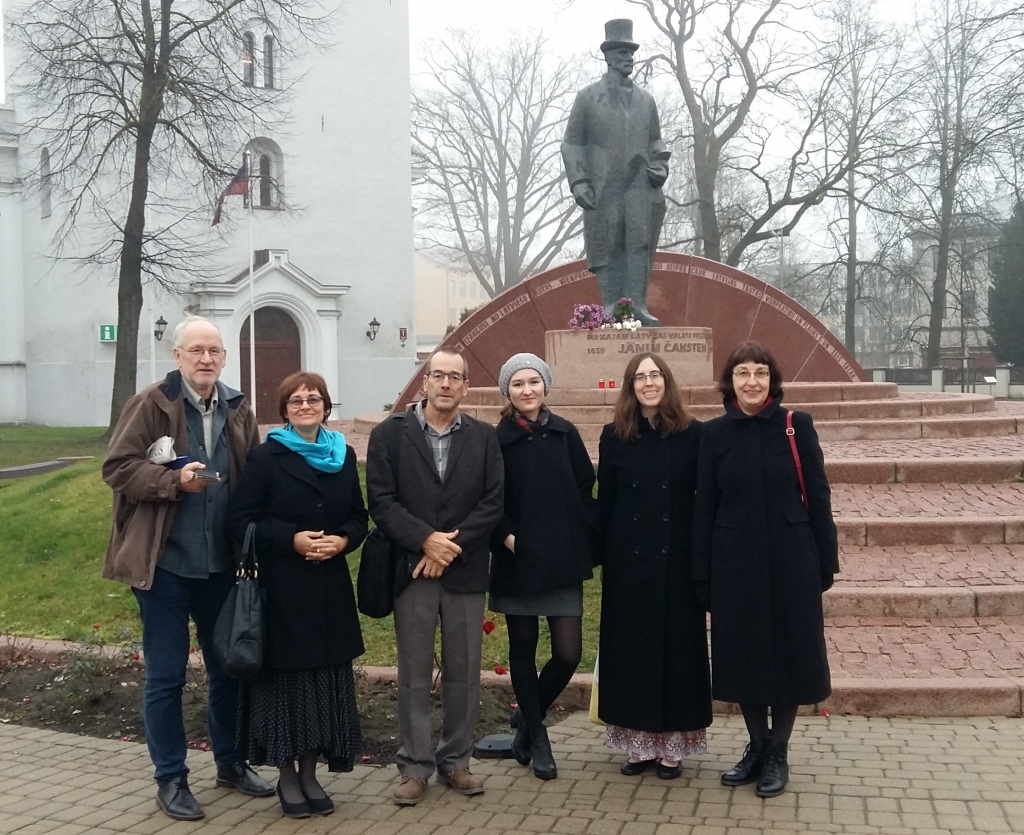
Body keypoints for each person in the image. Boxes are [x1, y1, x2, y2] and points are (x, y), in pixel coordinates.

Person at [102, 316, 274, 821]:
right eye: (196, 350)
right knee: (165, 678)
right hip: (165, 566)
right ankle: (171, 779)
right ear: (177, 356)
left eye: (214, 351)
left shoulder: (239, 409)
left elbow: (254, 477)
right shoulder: (151, 404)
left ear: (223, 358)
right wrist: (174, 480)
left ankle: (231, 763)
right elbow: (117, 468)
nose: (205, 359)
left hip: (223, 566)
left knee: (229, 671)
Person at [692, 342, 838, 798]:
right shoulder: (713, 434)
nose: (751, 381)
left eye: (759, 372)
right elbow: (703, 506)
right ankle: (756, 745)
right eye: (742, 373)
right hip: (734, 560)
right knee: (744, 652)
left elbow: (818, 495)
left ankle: (778, 750)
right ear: (729, 381)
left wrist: (825, 562)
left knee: (790, 651)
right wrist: (702, 571)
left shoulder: (796, 427)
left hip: (791, 557)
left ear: (772, 380)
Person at [366, 346, 504, 806]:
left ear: (466, 387)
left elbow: (493, 502)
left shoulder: (485, 438)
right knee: (414, 672)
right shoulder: (390, 435)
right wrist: (425, 540)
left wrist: (450, 546)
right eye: (438, 375)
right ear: (424, 382)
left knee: (465, 671)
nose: (446, 384)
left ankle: (457, 762)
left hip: (464, 571)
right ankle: (414, 765)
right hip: (413, 570)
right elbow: (382, 501)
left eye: (455, 377)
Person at [228, 371, 368, 819]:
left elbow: (358, 516)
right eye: (296, 401)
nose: (306, 406)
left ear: (327, 406)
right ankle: (288, 776)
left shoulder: (342, 455)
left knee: (324, 685)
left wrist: (344, 541)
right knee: (288, 688)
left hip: (328, 590)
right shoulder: (265, 458)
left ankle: (311, 774)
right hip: (282, 591)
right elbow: (239, 523)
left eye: (314, 399)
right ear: (284, 409)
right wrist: (292, 539)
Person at [596, 352, 711, 779]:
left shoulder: (694, 435)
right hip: (630, 562)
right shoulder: (614, 436)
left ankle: (673, 748)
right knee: (633, 654)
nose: (648, 383)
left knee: (678, 653)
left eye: (655, 375)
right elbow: (606, 500)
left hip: (678, 562)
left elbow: (702, 502)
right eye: (640, 377)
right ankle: (639, 745)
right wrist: (606, 553)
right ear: (630, 387)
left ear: (667, 382)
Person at [489, 353, 597, 781]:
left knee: (568, 653)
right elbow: (488, 498)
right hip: (518, 559)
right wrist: (509, 537)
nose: (527, 390)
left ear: (545, 386)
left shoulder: (564, 432)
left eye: (534, 382)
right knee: (523, 647)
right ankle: (537, 734)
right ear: (508, 392)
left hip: (561, 559)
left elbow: (584, 486)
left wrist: (579, 537)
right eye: (518, 384)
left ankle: (524, 721)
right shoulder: (496, 440)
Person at [561, 18, 670, 326]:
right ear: (607, 56)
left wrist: (660, 165)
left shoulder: (646, 101)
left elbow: (656, 141)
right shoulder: (588, 97)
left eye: (631, 52)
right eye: (621, 52)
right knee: (607, 244)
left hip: (639, 186)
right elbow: (572, 143)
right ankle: (610, 304)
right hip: (603, 186)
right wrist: (579, 181)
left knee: (638, 244)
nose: (629, 58)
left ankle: (636, 306)